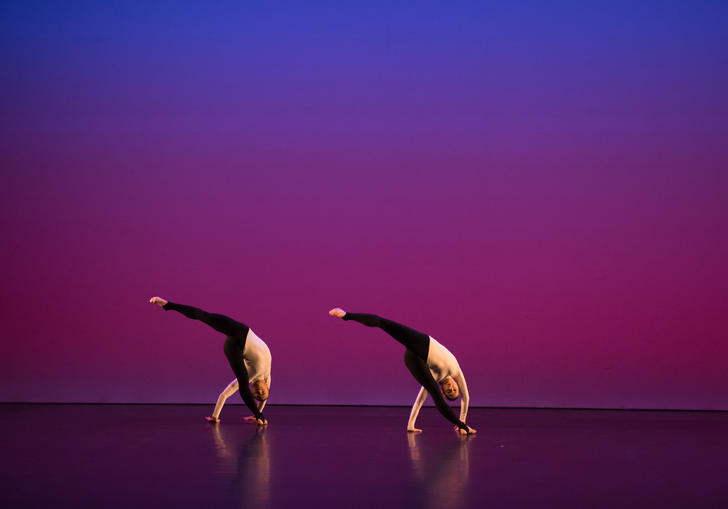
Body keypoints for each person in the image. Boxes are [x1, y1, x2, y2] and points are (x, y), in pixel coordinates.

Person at [329, 308, 475, 434]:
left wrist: (410, 425)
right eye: (455, 389)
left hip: (413, 359)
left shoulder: (434, 377)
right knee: (383, 323)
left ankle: (462, 427)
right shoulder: (456, 371)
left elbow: (419, 402)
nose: (452, 387)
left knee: (434, 395)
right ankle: (346, 315)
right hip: (424, 343)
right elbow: (466, 397)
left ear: (443, 390)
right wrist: (463, 418)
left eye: (449, 391)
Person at [149, 296, 271, 425]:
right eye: (263, 393)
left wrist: (215, 416)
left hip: (233, 348)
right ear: (267, 387)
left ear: (252, 391)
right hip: (243, 332)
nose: (259, 392)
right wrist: (258, 411)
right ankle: (168, 305)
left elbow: (225, 394)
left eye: (257, 395)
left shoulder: (250, 377)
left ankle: (258, 416)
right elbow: (263, 400)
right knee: (206, 316)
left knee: (242, 382)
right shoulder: (268, 375)